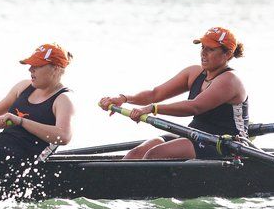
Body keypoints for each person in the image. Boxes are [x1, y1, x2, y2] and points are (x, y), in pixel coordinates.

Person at [99, 26, 247, 160]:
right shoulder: (194, 73)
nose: (203, 53)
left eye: (211, 49)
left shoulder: (229, 80)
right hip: (194, 135)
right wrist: (123, 98)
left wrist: (152, 108)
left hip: (225, 144)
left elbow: (194, 107)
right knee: (135, 154)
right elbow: (154, 94)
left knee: (154, 155)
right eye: (203, 47)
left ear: (227, 55)